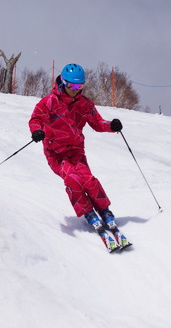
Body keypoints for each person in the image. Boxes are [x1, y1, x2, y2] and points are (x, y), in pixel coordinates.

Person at [28, 63, 129, 252]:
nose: (76, 90)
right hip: (56, 153)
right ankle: (88, 213)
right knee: (73, 180)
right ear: (63, 83)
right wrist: (37, 131)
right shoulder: (49, 102)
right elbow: (35, 119)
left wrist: (111, 125)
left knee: (89, 180)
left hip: (76, 151)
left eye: (80, 87)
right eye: (73, 87)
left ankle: (104, 211)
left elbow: (98, 123)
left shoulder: (84, 104)